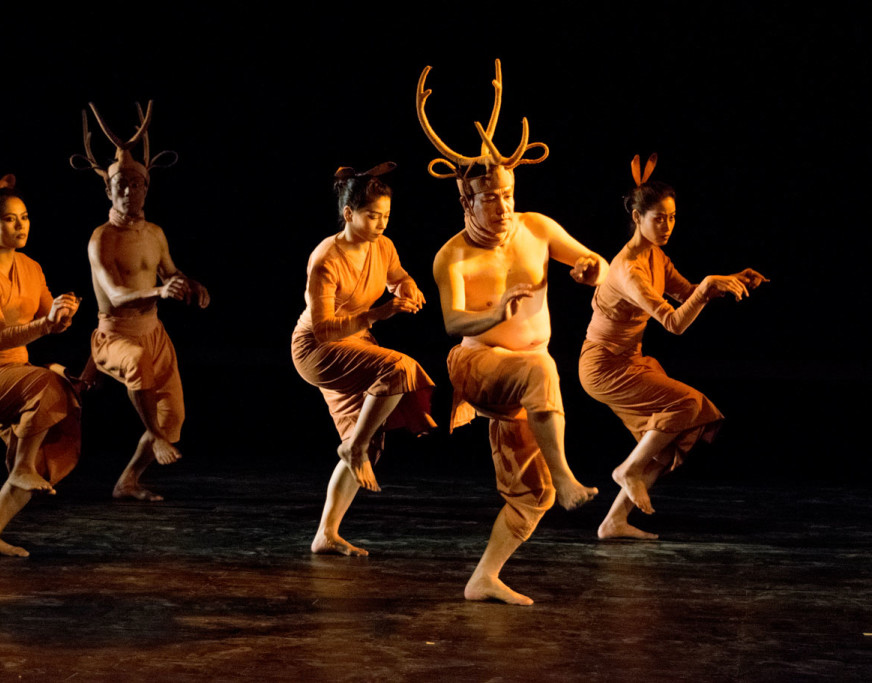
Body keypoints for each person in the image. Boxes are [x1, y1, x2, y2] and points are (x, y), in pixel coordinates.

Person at [420, 60, 606, 605]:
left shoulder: (537, 227)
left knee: (533, 495)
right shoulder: (451, 256)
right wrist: (498, 312)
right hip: (476, 365)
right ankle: (568, 475)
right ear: (466, 200)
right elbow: (453, 323)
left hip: (524, 385)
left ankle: (484, 578)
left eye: (508, 193)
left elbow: (592, 261)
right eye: (490, 197)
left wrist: (590, 268)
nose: (503, 206)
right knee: (542, 369)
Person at [579, 154, 768, 540]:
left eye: (672, 217)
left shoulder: (655, 256)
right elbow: (674, 323)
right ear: (637, 218)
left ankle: (614, 521)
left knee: (666, 443)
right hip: (604, 367)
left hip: (629, 361)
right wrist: (710, 284)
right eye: (658, 218)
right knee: (687, 404)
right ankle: (627, 471)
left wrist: (729, 280)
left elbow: (686, 292)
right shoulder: (629, 270)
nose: (667, 226)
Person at [292, 163, 435, 557]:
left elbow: (398, 275)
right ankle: (353, 448)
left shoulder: (382, 246)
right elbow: (323, 330)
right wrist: (377, 314)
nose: (380, 224)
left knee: (367, 445)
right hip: (317, 350)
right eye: (373, 216)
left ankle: (326, 533)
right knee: (400, 367)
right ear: (348, 213)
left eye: (386, 216)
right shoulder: (326, 259)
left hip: (356, 341)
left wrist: (410, 288)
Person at [74, 102, 210, 502]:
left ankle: (127, 480)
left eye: (136, 185)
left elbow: (170, 272)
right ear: (109, 190)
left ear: (147, 187)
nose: (129, 192)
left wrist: (192, 285)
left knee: (174, 419)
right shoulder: (101, 238)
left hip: (153, 334)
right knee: (135, 362)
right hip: (115, 337)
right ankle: (151, 433)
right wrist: (159, 291)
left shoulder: (154, 232)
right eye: (122, 186)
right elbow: (115, 295)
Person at [0, 173, 82, 557]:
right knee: (47, 383)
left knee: (39, 460)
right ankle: (22, 465)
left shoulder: (31, 266)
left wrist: (62, 312)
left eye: (24, 217)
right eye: (10, 219)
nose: (21, 225)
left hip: (12, 377)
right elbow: (0, 337)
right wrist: (46, 324)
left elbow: (48, 321)